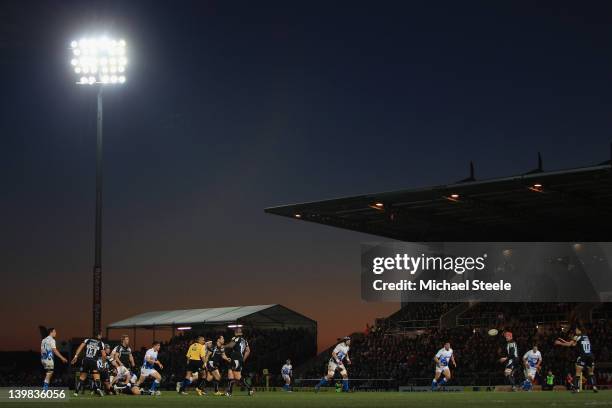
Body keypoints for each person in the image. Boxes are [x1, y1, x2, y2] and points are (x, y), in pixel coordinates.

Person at [555, 326, 598, 393]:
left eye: (576, 330)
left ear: (579, 330)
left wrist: (560, 343)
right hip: (590, 356)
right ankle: (594, 387)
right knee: (591, 373)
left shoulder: (577, 336)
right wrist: (567, 341)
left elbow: (569, 344)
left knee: (578, 373)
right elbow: (574, 344)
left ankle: (577, 389)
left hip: (583, 356)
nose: (575, 331)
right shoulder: (586, 336)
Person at [71, 332, 106, 397]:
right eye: (101, 335)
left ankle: (76, 392)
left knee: (82, 377)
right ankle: (98, 388)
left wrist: (75, 356)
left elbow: (80, 348)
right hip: (93, 360)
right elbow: (104, 355)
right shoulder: (101, 343)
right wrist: (103, 364)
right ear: (98, 335)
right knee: (96, 375)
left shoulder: (87, 340)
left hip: (86, 360)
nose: (101, 336)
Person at [224, 327, 253, 396]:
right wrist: (243, 359)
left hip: (235, 359)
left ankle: (249, 389)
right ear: (241, 333)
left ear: (235, 333)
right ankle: (230, 392)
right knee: (234, 376)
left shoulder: (235, 338)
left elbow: (231, 345)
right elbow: (248, 351)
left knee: (234, 375)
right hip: (238, 359)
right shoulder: (245, 340)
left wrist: (223, 346)